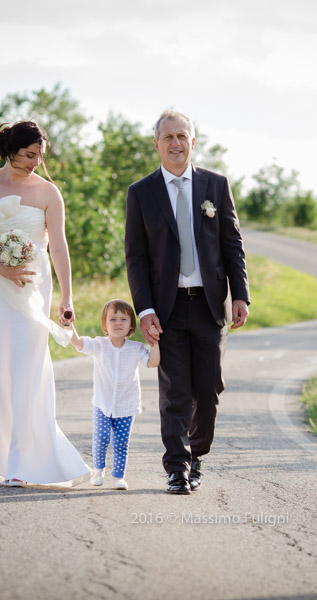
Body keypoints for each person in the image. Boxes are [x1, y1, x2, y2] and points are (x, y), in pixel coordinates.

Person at [0, 120, 91, 488]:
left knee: (26, 369)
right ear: (8, 150)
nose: (35, 162)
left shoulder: (49, 193)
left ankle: (21, 461)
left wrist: (67, 296)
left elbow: (59, 246)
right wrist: (1, 267)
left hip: (33, 286)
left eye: (39, 156)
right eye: (29, 155)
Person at [125, 109, 250, 495]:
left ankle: (197, 455)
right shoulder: (141, 192)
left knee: (208, 388)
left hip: (211, 305)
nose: (176, 143)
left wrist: (240, 294)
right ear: (157, 144)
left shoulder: (216, 185)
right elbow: (137, 257)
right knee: (175, 389)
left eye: (182, 136)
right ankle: (177, 468)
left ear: (192, 142)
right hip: (167, 308)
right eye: (168, 137)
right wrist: (145, 310)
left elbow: (232, 244)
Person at [62, 299, 161, 490]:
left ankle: (119, 476)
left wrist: (154, 342)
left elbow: (153, 362)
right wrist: (69, 326)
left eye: (123, 319)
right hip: (102, 403)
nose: (118, 323)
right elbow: (78, 343)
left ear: (131, 325)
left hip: (127, 404)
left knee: (121, 442)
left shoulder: (136, 348)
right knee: (101, 437)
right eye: (113, 319)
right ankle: (98, 471)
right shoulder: (99, 345)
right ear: (105, 325)